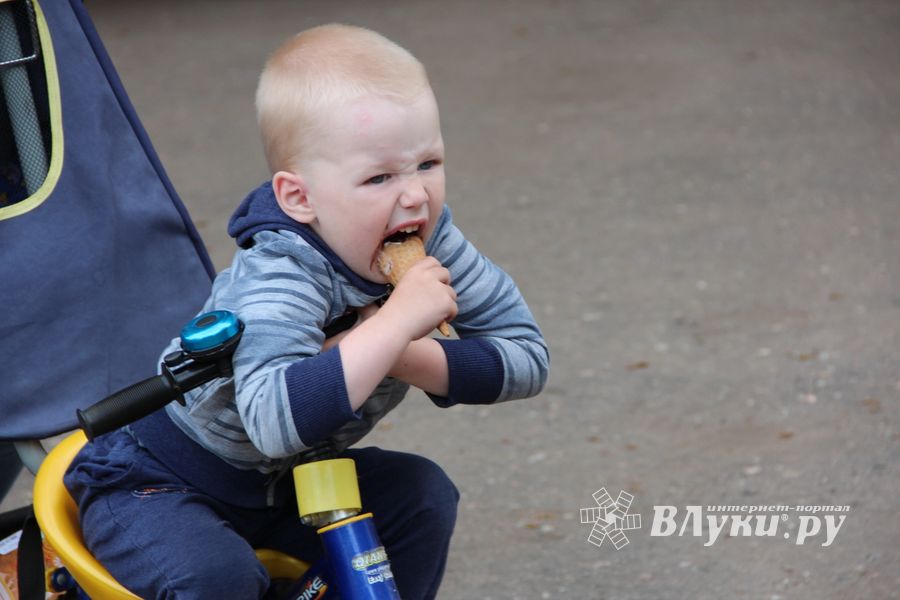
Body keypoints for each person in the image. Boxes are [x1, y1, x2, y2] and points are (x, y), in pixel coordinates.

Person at [64, 24, 548, 600]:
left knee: (421, 495)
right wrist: (392, 327)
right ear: (300, 197)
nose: (415, 195)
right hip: (161, 481)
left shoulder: (433, 241)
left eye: (428, 162)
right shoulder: (280, 270)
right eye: (379, 177)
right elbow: (272, 422)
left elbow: (527, 356)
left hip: (291, 484)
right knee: (216, 579)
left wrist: (404, 353)